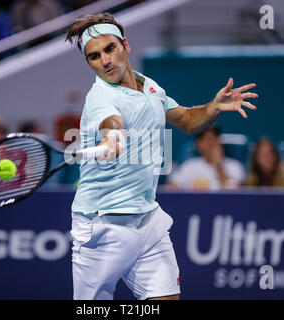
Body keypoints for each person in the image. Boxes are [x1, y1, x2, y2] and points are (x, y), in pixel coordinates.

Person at [65, 12, 258, 300]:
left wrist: (215, 106)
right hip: (103, 228)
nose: (105, 61)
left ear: (125, 45)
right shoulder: (101, 98)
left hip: (148, 220)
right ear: (89, 62)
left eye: (110, 49)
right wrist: (112, 140)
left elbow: (187, 120)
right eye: (94, 56)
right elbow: (112, 126)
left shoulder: (149, 86)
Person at [166, 126, 245, 190]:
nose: (213, 144)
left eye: (216, 139)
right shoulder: (190, 165)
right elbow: (171, 187)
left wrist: (218, 165)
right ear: (199, 144)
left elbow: (233, 193)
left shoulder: (234, 166)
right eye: (209, 140)